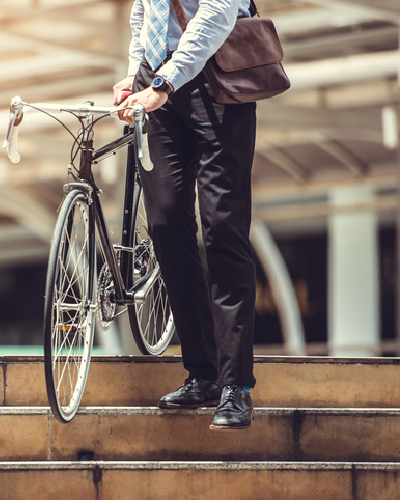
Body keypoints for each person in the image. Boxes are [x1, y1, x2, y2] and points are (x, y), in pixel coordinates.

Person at [114, 0, 257, 430]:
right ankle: (203, 372)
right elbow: (145, 11)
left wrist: (164, 82)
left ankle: (236, 386)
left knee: (223, 229)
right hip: (159, 82)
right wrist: (136, 68)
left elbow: (217, 13)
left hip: (218, 79)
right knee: (165, 221)